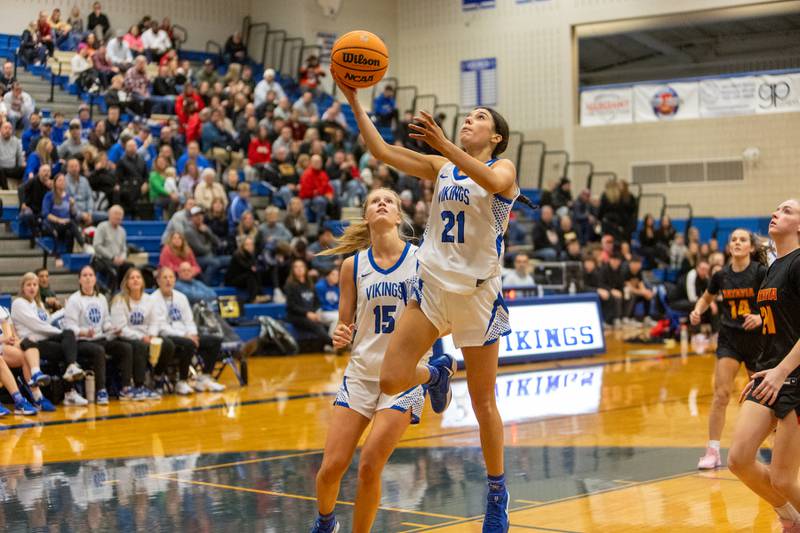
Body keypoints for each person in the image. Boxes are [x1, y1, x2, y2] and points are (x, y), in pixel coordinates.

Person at [334, 73, 520, 530]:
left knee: (484, 405)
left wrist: (444, 147)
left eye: (479, 118)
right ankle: (436, 373)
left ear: (494, 137)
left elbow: (493, 182)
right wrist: (355, 101)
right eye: (468, 117)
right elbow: (382, 152)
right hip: (433, 289)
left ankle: (497, 491)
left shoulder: (504, 166)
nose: (469, 121)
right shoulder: (442, 167)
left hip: (478, 296)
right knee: (393, 377)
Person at [311, 188, 426, 532]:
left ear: (398, 215)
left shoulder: (421, 260)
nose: (381, 204)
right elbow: (344, 324)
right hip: (360, 374)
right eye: (374, 201)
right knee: (331, 467)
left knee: (369, 466)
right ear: (366, 216)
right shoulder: (352, 265)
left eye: (388, 201)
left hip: (404, 377)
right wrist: (339, 334)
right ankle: (326, 523)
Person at [728, 200, 800, 532]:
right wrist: (766, 370)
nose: (777, 213)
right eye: (777, 209)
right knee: (739, 460)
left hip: (795, 377)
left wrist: (782, 370)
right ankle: (789, 517)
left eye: (787, 211)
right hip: (770, 374)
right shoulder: (773, 267)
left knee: (785, 479)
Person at [691, 230, 765, 469]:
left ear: (751, 248)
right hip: (730, 338)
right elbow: (706, 297)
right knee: (721, 395)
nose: (737, 242)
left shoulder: (761, 273)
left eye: (742, 239)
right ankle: (713, 451)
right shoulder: (721, 275)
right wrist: (697, 310)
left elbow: (776, 303)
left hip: (757, 340)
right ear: (728, 246)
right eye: (733, 239)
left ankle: (766, 447)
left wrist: (760, 317)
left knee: (761, 400)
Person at [11, 272, 87, 406]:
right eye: (29, 285)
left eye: (35, 284)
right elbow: (37, 326)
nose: (32, 287)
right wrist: (59, 332)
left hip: (44, 339)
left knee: (68, 341)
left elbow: (48, 321)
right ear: (22, 287)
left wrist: (64, 311)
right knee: (67, 341)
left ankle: (71, 375)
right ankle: (70, 391)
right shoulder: (18, 303)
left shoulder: (38, 304)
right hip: (31, 344)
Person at [64, 265, 134, 405]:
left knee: (125, 347)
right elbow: (69, 327)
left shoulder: (101, 298)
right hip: (82, 341)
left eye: (91, 275)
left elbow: (106, 321)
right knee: (99, 351)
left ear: (95, 279)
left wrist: (112, 328)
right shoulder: (74, 300)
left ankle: (125, 387)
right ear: (80, 280)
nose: (88, 278)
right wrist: (84, 332)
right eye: (85, 275)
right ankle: (101, 390)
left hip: (100, 338)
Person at [152, 267, 225, 394]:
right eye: (165, 277)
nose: (168, 280)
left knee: (215, 340)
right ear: (158, 281)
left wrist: (193, 334)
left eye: (171, 277)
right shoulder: (153, 299)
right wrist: (186, 336)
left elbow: (189, 320)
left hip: (186, 336)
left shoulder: (181, 297)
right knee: (188, 344)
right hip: (166, 337)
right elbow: (161, 327)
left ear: (175, 280)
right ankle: (182, 381)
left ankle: (204, 377)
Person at [109, 268, 163, 401]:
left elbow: (155, 322)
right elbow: (120, 328)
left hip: (145, 337)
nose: (135, 280)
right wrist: (141, 337)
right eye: (132, 278)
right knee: (139, 346)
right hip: (122, 337)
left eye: (138, 277)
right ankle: (139, 385)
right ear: (126, 282)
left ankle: (158, 379)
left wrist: (151, 335)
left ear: (143, 282)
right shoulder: (119, 300)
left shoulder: (149, 300)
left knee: (166, 344)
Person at [0, 305, 53, 414]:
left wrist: (16, 341)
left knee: (28, 345)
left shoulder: (3, 310)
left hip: (4, 346)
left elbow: (12, 335)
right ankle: (20, 399)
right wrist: (4, 340)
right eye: (29, 285)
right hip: (2, 346)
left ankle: (37, 392)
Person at [284, 259, 332, 352]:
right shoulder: (290, 285)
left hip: (311, 314)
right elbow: (291, 305)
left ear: (305, 269)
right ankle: (335, 344)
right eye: (296, 267)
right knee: (316, 326)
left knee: (325, 325)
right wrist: (307, 314)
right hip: (296, 316)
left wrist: (316, 312)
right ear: (292, 270)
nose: (299, 269)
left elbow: (317, 302)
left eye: (301, 266)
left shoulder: (310, 284)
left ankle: (329, 347)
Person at [42, 173, 86, 267]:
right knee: (70, 223)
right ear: (55, 183)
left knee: (70, 232)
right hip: (52, 224)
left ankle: (67, 257)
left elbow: (73, 214)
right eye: (60, 180)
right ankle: (83, 243)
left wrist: (72, 205)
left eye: (64, 180)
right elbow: (46, 214)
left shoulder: (68, 197)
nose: (62, 182)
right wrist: (59, 220)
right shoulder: (49, 196)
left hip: (66, 225)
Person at [185, 206, 229, 286]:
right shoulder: (189, 231)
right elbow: (201, 250)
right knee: (215, 263)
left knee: (230, 259)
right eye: (196, 215)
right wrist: (210, 246)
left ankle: (227, 282)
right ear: (191, 218)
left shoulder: (205, 228)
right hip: (197, 259)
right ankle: (205, 286)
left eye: (201, 215)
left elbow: (218, 242)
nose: (199, 217)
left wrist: (207, 232)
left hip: (210, 256)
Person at [225, 237, 266, 304]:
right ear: (243, 246)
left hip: (243, 277)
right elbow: (246, 267)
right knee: (250, 275)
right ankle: (253, 298)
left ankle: (260, 294)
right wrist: (252, 268)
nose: (250, 246)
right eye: (248, 244)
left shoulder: (251, 255)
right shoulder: (238, 255)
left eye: (251, 244)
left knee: (255, 273)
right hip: (233, 279)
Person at [0, 120, 25, 188]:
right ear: (0, 129)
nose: (8, 130)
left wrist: (22, 164)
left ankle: (22, 190)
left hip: (12, 169)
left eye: (10, 128)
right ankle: (6, 190)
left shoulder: (16, 141)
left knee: (24, 169)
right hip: (1, 168)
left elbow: (20, 156)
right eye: (5, 128)